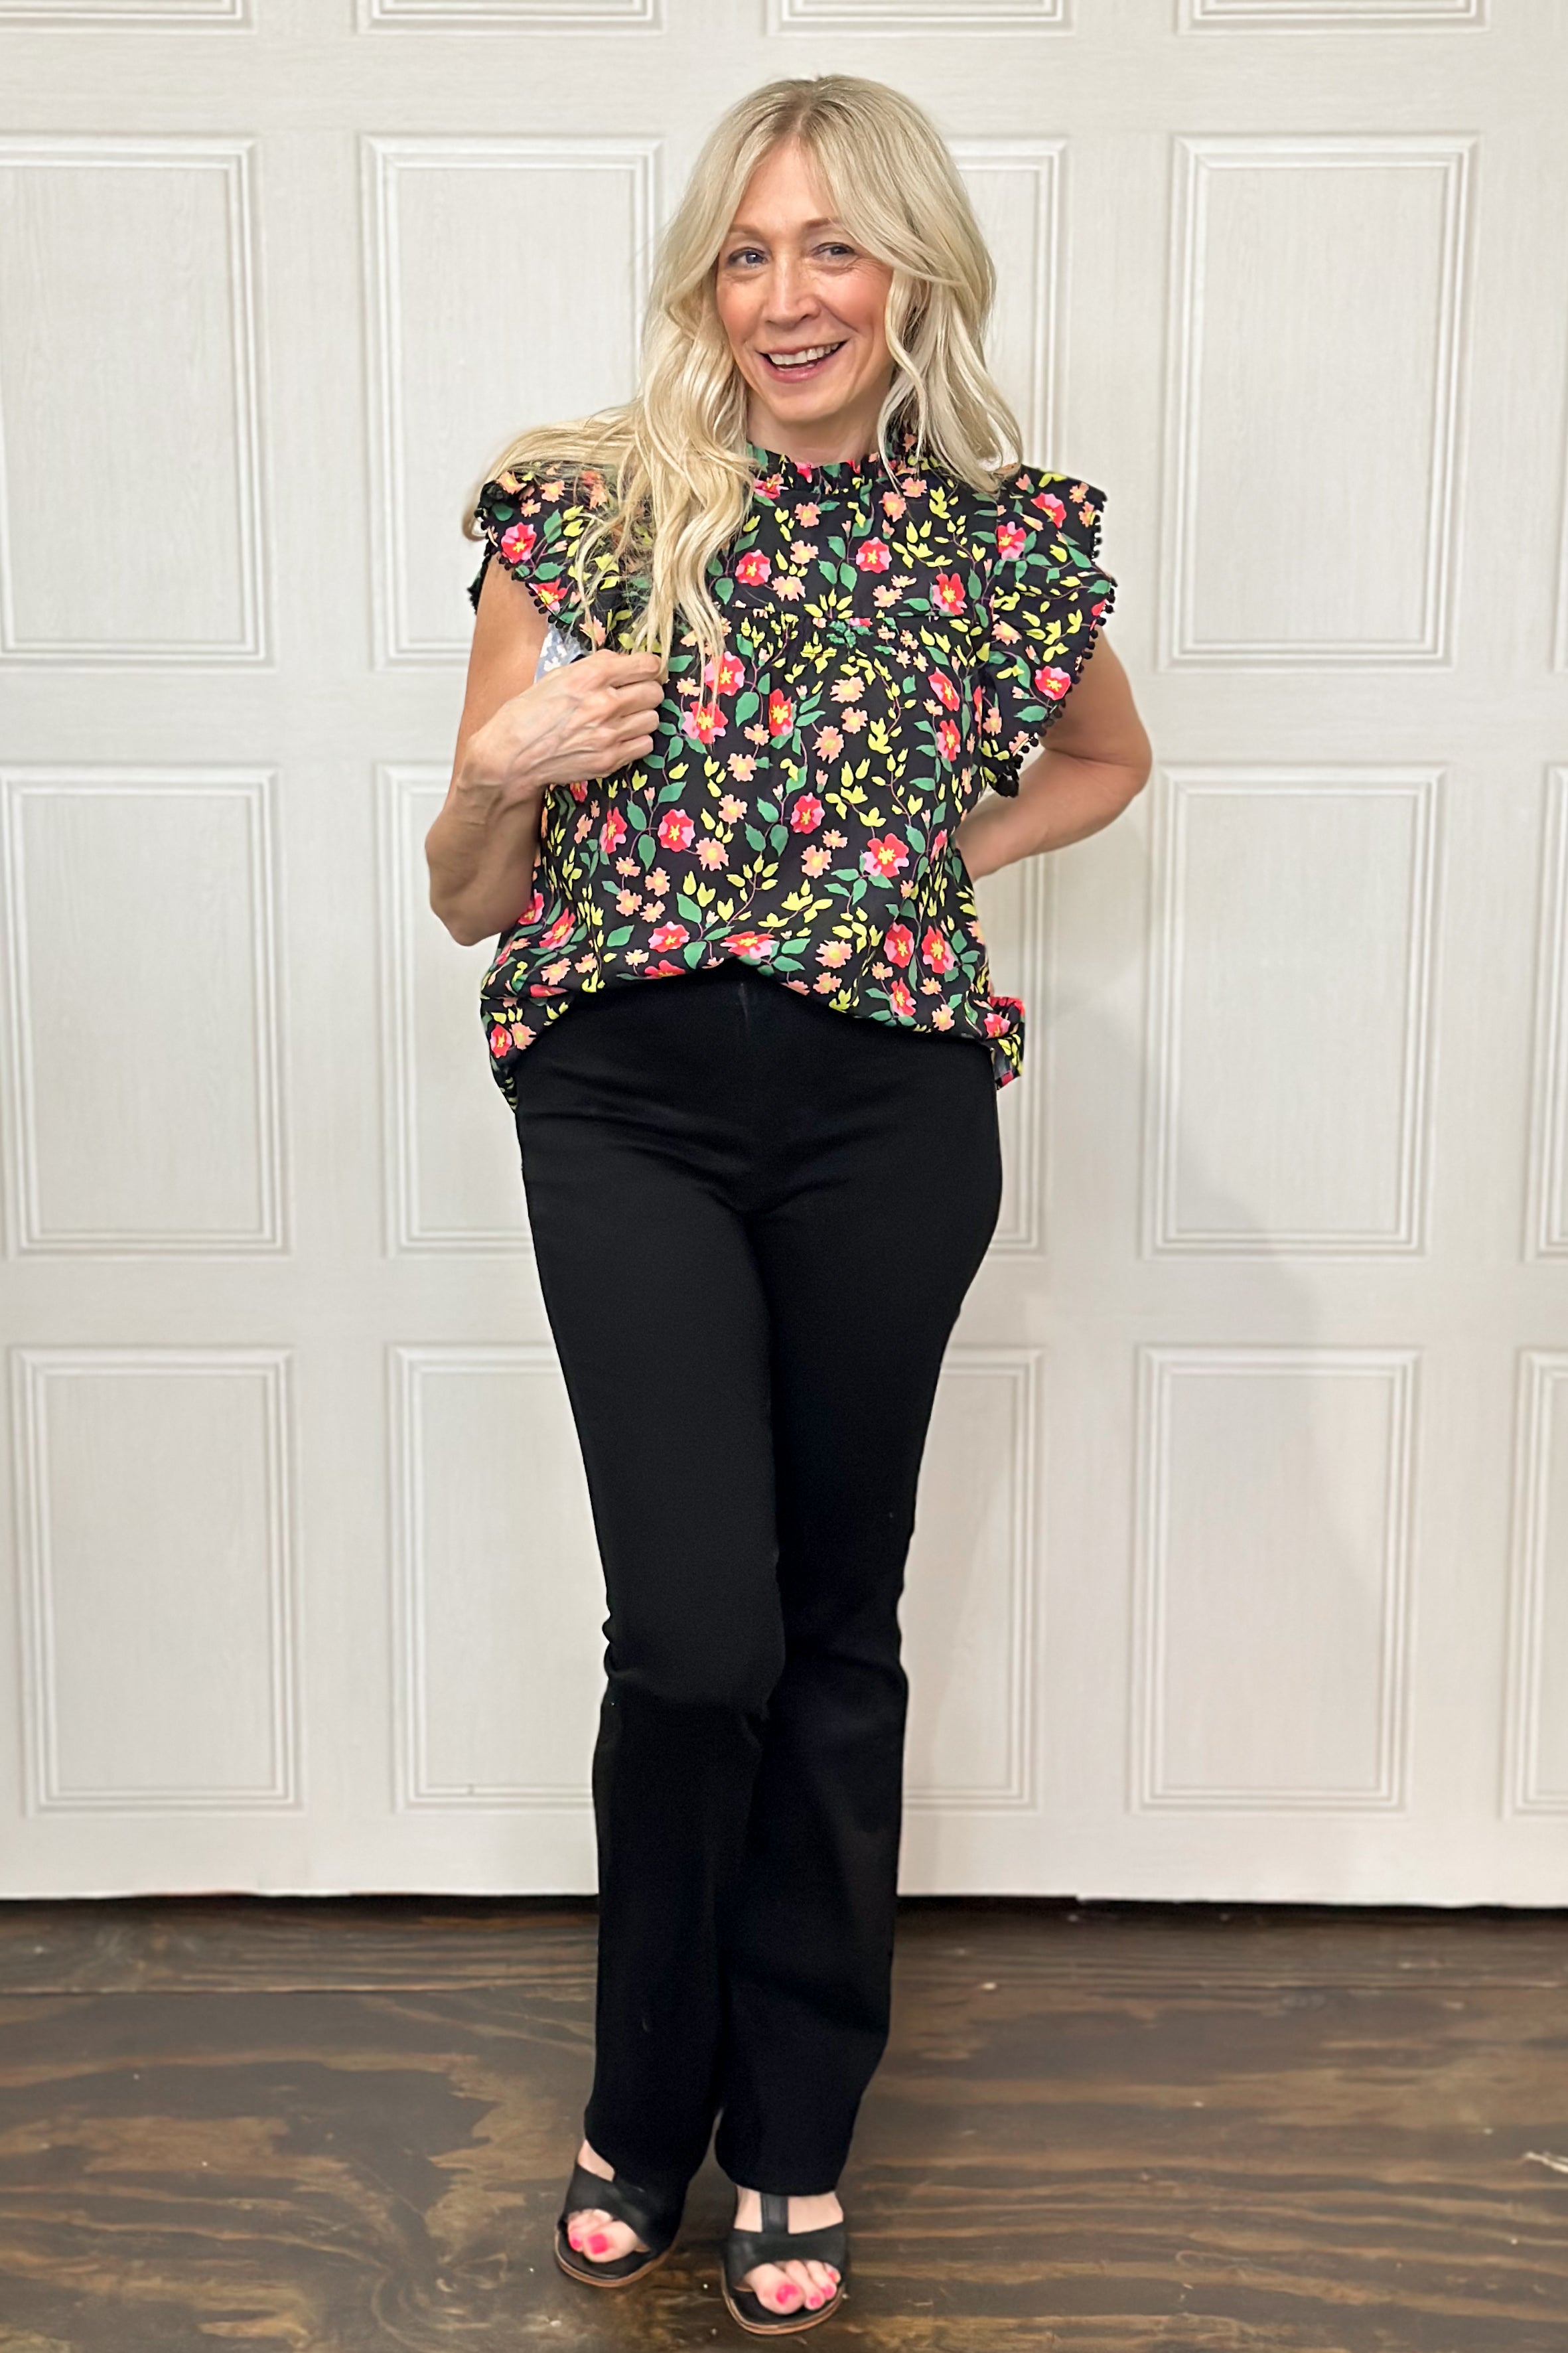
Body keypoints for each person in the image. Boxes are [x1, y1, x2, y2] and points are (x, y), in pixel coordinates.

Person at [426, 71, 1151, 2336]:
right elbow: (469, 898)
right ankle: (646, 2098)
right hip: (623, 1097)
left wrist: (939, 855)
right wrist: (495, 772)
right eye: (745, 252)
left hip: (885, 1112)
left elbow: (1107, 759)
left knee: (836, 1621)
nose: (786, 294)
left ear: (911, 268)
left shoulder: (1000, 543)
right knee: (695, 1635)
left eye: (831, 245)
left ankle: (799, 2125)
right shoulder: (580, 512)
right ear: (704, 284)